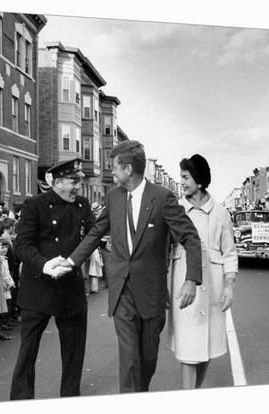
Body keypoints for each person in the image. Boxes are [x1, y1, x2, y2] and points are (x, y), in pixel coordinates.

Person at [66, 141, 202, 393]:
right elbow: (97, 232)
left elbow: (190, 238)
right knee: (128, 359)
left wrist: (192, 279)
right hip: (122, 291)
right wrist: (71, 261)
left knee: (147, 360)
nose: (112, 172)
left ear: (128, 169)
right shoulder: (114, 197)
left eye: (114, 167)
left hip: (151, 294)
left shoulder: (162, 198)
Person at [9, 158, 95, 400]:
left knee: (74, 354)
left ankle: (69, 400)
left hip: (71, 289)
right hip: (39, 288)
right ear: (56, 183)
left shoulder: (82, 205)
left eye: (78, 181)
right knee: (27, 353)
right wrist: (45, 265)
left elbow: (94, 235)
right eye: (72, 182)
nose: (77, 187)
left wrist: (73, 262)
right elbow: (21, 245)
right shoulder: (35, 205)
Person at [167, 154, 238, 389]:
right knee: (188, 349)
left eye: (186, 177)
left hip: (214, 289)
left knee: (206, 349)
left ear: (198, 180)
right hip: (183, 287)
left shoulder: (220, 214)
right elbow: (161, 249)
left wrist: (229, 287)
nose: (182, 182)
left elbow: (229, 253)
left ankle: (195, 392)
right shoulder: (176, 210)